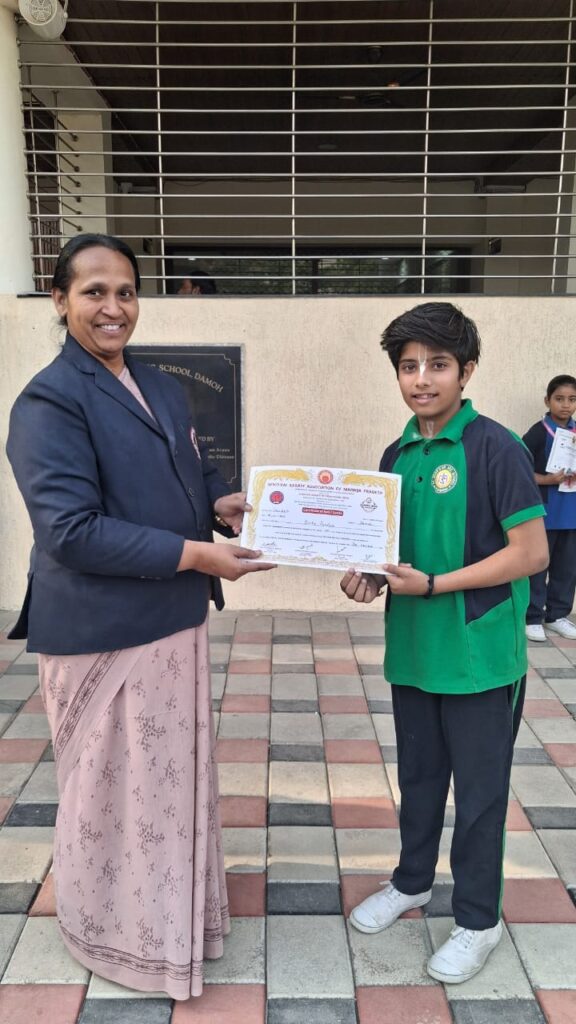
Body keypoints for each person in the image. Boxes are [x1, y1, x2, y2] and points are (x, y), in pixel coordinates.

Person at [6, 233, 274, 1000]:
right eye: (93, 291)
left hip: (172, 619)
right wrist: (197, 555)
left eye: (125, 291)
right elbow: (70, 531)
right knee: (113, 794)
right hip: (101, 629)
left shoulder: (159, 385)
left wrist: (218, 502)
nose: (113, 307)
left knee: (168, 790)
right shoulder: (48, 402)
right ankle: (115, 935)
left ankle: (174, 923)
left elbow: (190, 471)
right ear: (59, 299)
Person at [340, 302, 548, 985]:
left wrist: (434, 585)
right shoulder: (395, 455)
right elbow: (393, 552)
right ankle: (411, 882)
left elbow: (531, 553)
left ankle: (479, 920)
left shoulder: (496, 448)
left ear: (467, 371)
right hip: (414, 650)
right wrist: (370, 576)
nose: (421, 379)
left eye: (437, 364)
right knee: (420, 780)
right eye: (408, 366)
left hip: (480, 657)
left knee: (481, 795)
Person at [522, 374, 576, 641]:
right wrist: (546, 480)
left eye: (572, 399)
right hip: (545, 512)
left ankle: (556, 615)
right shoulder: (537, 433)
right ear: (547, 401)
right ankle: (532, 617)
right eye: (559, 399)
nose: (566, 405)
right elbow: (519, 470)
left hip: (571, 513)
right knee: (537, 566)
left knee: (567, 568)